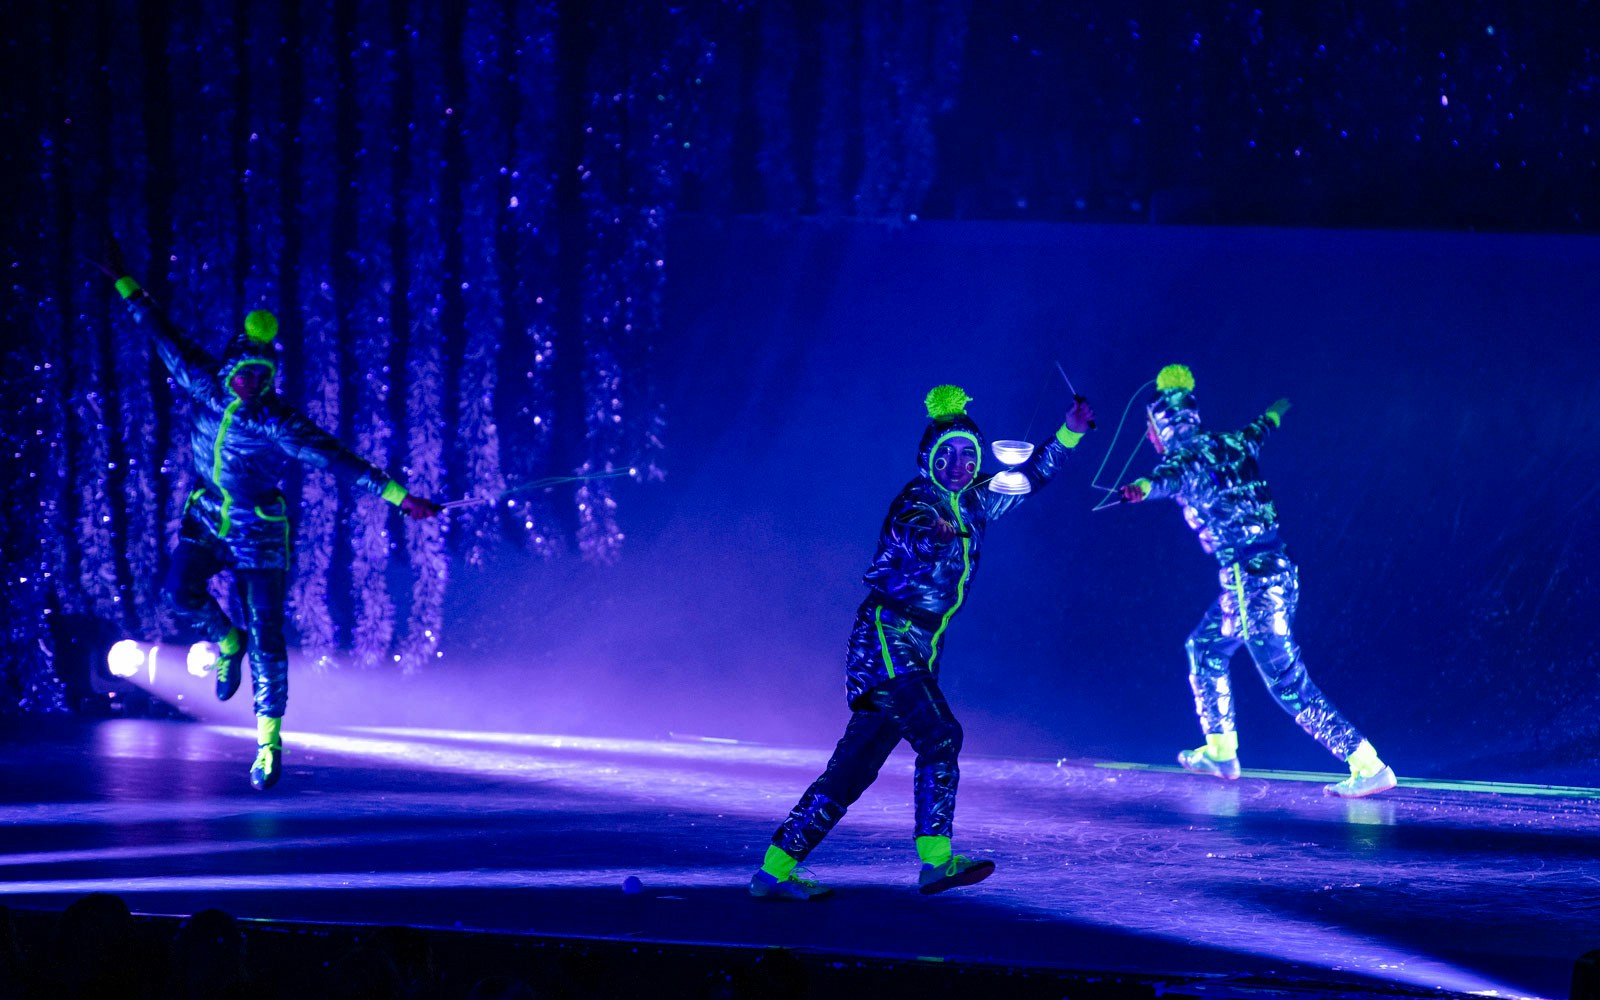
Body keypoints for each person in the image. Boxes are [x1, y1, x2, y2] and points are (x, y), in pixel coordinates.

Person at [97, 237, 441, 790]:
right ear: (232, 365)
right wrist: (124, 281)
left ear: (268, 377)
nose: (250, 383)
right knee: (176, 594)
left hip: (261, 534)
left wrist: (403, 499)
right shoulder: (203, 385)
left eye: (260, 375)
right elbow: (162, 332)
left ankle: (267, 743)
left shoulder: (278, 423)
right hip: (207, 518)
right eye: (244, 372)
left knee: (269, 636)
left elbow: (341, 461)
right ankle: (224, 640)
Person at [751, 384, 1095, 900]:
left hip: (917, 647)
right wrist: (932, 529)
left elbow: (1032, 476)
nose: (957, 463)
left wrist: (1070, 430)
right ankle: (935, 861)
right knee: (940, 736)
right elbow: (908, 531)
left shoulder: (977, 500)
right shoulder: (917, 500)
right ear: (929, 458)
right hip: (887, 637)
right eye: (946, 454)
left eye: (967, 454)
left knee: (852, 771)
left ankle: (772, 871)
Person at [1116, 364, 1395, 798]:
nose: (1150, 438)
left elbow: (1166, 479)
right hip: (1266, 574)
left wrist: (1138, 488)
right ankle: (1221, 753)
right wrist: (1280, 407)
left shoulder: (1182, 459)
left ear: (1163, 426)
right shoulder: (1233, 441)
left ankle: (1367, 763)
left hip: (1253, 582)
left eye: (1151, 429)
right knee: (1205, 647)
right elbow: (1261, 427)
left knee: (1286, 680)